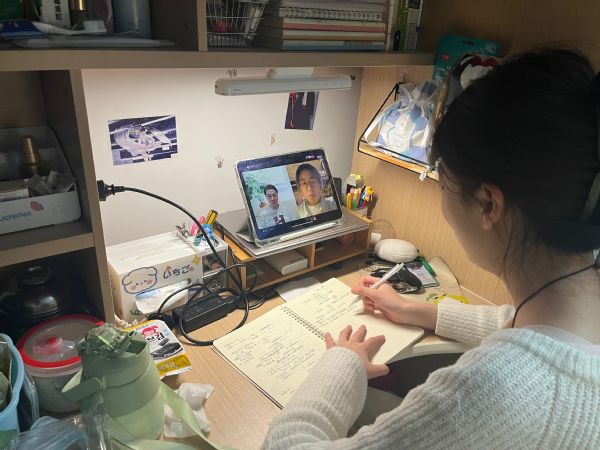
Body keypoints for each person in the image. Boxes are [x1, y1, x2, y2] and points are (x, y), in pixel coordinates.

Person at [263, 49, 600, 449]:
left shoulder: (489, 391)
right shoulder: (579, 311)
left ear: (488, 205)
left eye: (444, 183)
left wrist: (342, 364)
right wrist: (417, 310)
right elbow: (516, 325)